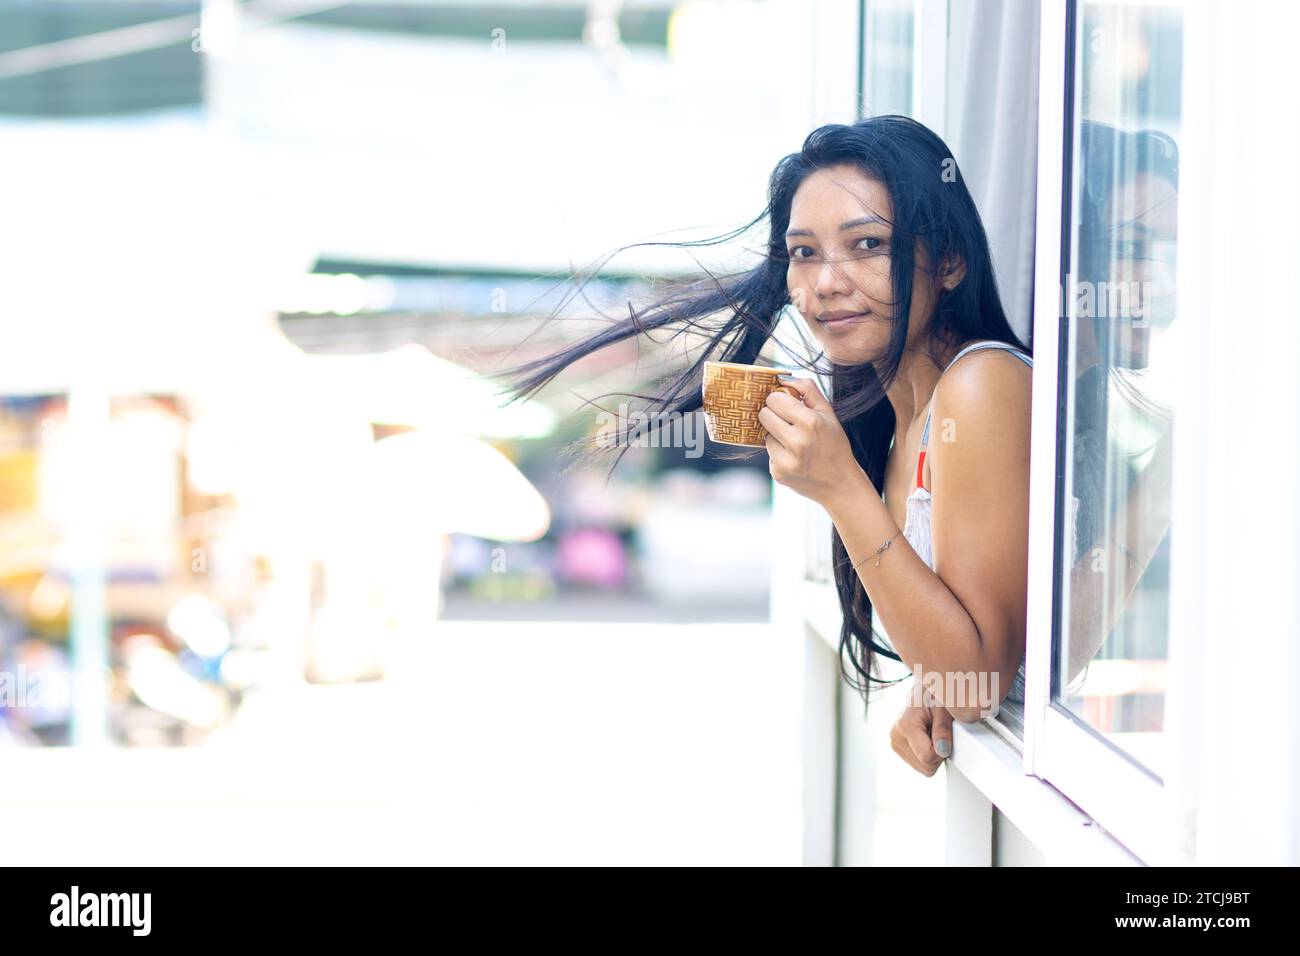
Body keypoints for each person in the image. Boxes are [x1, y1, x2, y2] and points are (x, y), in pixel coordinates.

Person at [495, 114, 1034, 753]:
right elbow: (965, 641)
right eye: (804, 252)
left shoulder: (979, 385)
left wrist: (842, 491)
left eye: (867, 245)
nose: (826, 282)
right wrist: (931, 679)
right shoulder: (895, 422)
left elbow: (975, 686)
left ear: (947, 261)